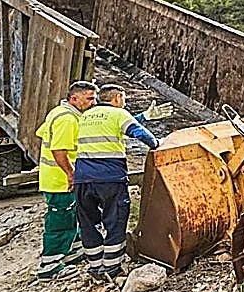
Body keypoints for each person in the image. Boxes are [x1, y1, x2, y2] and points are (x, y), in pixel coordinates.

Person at [74, 85, 172, 279]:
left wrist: (144, 116)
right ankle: (111, 268)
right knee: (115, 219)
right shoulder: (119, 114)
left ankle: (95, 268)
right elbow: (140, 133)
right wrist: (158, 144)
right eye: (124, 98)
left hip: (83, 179)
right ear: (118, 98)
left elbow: (113, 127)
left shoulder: (85, 116)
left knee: (88, 223)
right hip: (109, 179)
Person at [34, 80, 97, 280]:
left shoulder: (59, 113)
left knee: (72, 215)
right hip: (59, 180)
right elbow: (58, 151)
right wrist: (71, 174)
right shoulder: (67, 119)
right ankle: (49, 265)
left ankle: (72, 251)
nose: (93, 103)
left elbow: (42, 134)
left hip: (57, 177)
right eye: (89, 99)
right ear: (74, 98)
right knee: (60, 219)